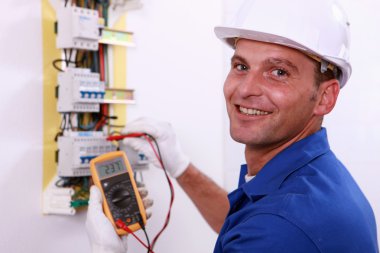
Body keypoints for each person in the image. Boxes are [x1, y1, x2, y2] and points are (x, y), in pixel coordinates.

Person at [86, 0, 379, 252]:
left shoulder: (279, 227)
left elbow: (266, 228)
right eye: (241, 66)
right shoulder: (312, 178)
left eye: (278, 72)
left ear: (325, 97)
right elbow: (243, 221)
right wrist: (180, 167)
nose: (245, 89)